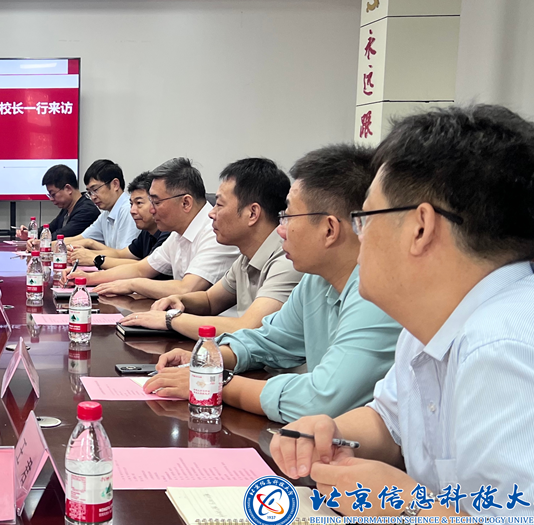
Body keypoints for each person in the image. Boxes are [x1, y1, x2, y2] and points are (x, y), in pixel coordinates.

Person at [273, 106, 534, 525]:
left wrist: (406, 506)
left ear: (421, 227)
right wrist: (329, 432)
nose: (359, 236)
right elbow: (392, 421)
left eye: (366, 218)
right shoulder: (440, 317)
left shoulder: (510, 349)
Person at [144, 145, 401, 423]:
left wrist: (214, 382)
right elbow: (270, 340)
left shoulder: (376, 295)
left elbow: (320, 398)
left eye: (288, 217)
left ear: (329, 229)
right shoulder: (316, 280)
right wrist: (210, 357)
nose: (280, 230)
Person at [120, 157, 302, 335]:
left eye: (219, 205)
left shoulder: (287, 260)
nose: (211, 213)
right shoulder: (246, 257)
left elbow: (249, 327)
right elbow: (209, 300)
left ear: (252, 213)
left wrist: (170, 319)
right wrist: (178, 300)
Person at [75, 157, 239, 300]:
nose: (152, 210)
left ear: (186, 203)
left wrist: (132, 285)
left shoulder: (215, 233)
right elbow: (140, 269)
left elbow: (186, 289)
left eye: (156, 202)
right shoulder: (177, 234)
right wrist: (88, 278)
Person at [69, 171, 170, 270]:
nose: (132, 211)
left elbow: (143, 267)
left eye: (139, 203)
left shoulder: (168, 234)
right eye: (131, 204)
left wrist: (95, 258)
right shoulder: (146, 233)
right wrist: (88, 253)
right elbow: (121, 254)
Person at [65, 159, 139, 250]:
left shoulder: (129, 210)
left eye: (95, 190)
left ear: (115, 184)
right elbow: (80, 239)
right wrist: (50, 244)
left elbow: (124, 255)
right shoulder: (106, 214)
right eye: (90, 193)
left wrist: (90, 244)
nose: (93, 197)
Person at [16, 164, 100, 241]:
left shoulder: (86, 211)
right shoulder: (67, 208)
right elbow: (50, 229)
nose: (51, 199)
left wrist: (38, 240)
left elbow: (60, 236)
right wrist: (30, 234)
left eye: (53, 194)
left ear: (68, 189)